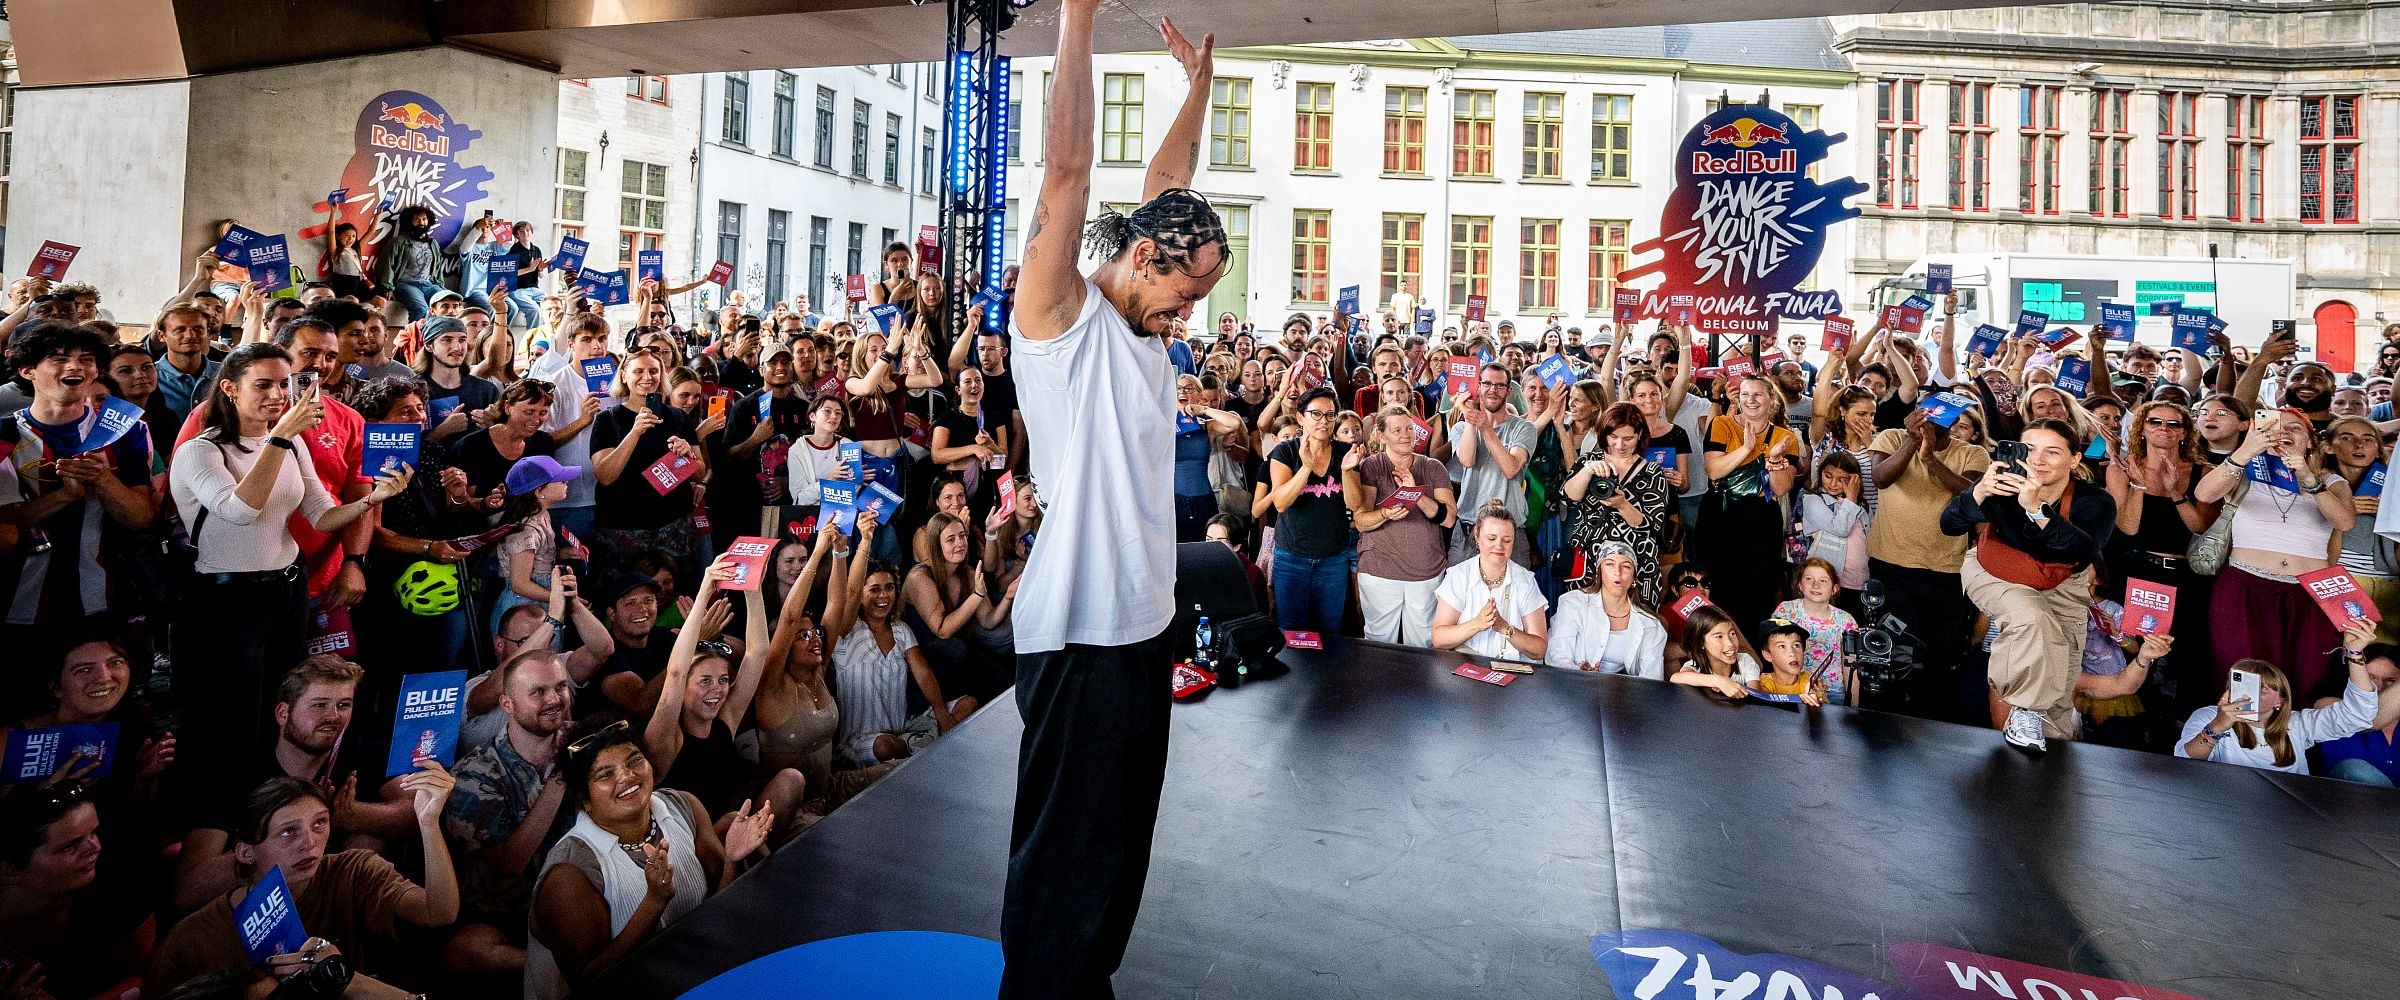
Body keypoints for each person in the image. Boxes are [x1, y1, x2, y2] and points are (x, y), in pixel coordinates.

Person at [1000, 5, 1228, 993]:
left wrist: (1198, 88)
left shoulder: (1145, 316)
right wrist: (1078, 20)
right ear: (1142, 259)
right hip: (1078, 635)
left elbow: (1168, 182)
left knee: (1116, 860)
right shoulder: (1061, 317)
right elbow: (1067, 174)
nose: (1189, 315)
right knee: (1064, 867)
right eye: (1186, 295)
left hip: (1141, 627)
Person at [166, 344, 408, 784]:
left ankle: (276, 795)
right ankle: (228, 802)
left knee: (280, 703)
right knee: (233, 711)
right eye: (263, 385)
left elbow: (321, 514)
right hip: (227, 597)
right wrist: (279, 437)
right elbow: (241, 510)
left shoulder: (291, 444)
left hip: (287, 589)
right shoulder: (201, 451)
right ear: (230, 389)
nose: (278, 395)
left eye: (283, 384)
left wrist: (372, 499)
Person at [147, 771, 459, 995]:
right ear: (245, 851)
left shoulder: (352, 871)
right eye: (288, 832)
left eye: (319, 823)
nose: (309, 843)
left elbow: (438, 912)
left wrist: (428, 822)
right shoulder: (193, 939)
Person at [525, 719, 771, 999]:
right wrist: (654, 901)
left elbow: (716, 910)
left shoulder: (683, 805)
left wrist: (733, 858)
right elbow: (590, 983)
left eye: (634, 760)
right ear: (585, 800)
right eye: (605, 775)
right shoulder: (569, 872)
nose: (627, 776)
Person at [1945, 419, 2117, 751]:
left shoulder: (2094, 500)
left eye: (2052, 452)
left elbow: (2083, 550)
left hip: (2062, 579)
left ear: (2075, 459)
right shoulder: (2003, 482)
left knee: (2062, 676)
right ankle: (2023, 711)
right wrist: (1979, 492)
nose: (2038, 460)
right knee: (2032, 618)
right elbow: (1949, 524)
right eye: (2030, 449)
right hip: (1994, 569)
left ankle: (2050, 748)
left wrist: (2037, 509)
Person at [0, 323, 160, 640]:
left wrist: (104, 480)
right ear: (28, 371)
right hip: (17, 601)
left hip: (104, 597)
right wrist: (63, 496)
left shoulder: (127, 430)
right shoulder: (4, 434)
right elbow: (5, 532)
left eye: (86, 359)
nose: (75, 366)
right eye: (59, 359)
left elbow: (142, 518)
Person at [2194, 407, 2356, 696]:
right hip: (2246, 586)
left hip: (2309, 592)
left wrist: (2307, 477)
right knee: (2245, 677)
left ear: (2310, 442)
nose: (2284, 432)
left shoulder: (2331, 481)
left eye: (2295, 428)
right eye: (2275, 426)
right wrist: (2247, 450)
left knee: (2307, 679)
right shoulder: (2243, 471)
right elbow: (2204, 494)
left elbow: (2344, 522)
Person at [439, 649, 573, 985]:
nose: (554, 699)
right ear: (507, 705)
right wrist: (562, 776)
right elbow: (508, 864)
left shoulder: (582, 739)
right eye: (538, 692)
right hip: (507, 912)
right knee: (465, 952)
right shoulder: (473, 775)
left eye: (560, 687)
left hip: (578, 891)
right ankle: (563, 967)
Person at [648, 556, 807, 838]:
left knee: (791, 780)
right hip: (691, 845)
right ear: (683, 689)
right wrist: (705, 589)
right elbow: (675, 672)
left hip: (734, 832)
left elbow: (757, 653)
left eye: (723, 680)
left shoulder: (725, 720)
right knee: (730, 820)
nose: (717, 689)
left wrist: (752, 588)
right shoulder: (666, 737)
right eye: (705, 681)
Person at [2174, 623, 2399, 774]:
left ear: (2280, 701)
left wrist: (2355, 653)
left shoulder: (2298, 724)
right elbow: (2183, 762)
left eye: (2267, 685)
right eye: (2250, 682)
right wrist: (2218, 726)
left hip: (2285, 816)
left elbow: (2358, 716)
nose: (2258, 688)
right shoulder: (2209, 716)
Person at [0, 789, 151, 1000]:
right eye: (70, 846)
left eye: (93, 833)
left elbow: (147, 982)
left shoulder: (115, 896)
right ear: (9, 871)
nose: (94, 847)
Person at [1346, 406, 1456, 645]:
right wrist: (1385, 513)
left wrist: (1416, 493)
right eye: (1397, 430)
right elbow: (1361, 521)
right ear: (1382, 435)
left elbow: (1448, 519)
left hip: (1426, 572)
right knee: (1378, 642)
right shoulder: (1372, 466)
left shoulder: (1433, 467)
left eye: (1409, 428)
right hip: (1380, 572)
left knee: (1423, 643)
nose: (1406, 435)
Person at [1699, 375, 1801, 629]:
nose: (1751, 400)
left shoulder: (1785, 437)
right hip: (1720, 513)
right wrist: (1746, 448)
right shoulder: (1722, 424)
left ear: (1771, 399)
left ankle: (1752, 645)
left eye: (1758, 394)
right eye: (1745, 394)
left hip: (1760, 519)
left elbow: (1781, 487)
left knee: (1757, 588)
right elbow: (1713, 470)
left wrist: (1774, 460)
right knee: (1718, 584)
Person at [1264, 387, 1355, 633]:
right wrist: (1305, 468)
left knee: (1329, 630)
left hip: (1333, 557)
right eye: (1316, 414)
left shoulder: (1345, 453)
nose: (1324, 421)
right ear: (1301, 418)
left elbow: (1355, 504)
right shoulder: (1285, 451)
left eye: (1330, 415)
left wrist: (1347, 471)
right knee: (1291, 631)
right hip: (1291, 557)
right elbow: (1280, 502)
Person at [1563, 401, 1672, 606]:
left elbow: (1651, 526)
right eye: (1613, 437)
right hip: (1590, 563)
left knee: (1636, 620)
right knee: (1585, 619)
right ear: (1604, 435)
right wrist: (1588, 470)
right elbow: (1568, 496)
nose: (1620, 445)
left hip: (1637, 564)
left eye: (1628, 438)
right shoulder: (1588, 461)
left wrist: (1622, 505)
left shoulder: (1653, 473)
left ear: (1640, 435)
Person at [1429, 504, 1549, 661]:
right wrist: (1478, 623)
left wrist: (1504, 628)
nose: (1499, 546)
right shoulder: (1459, 575)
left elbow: (1539, 649)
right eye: (1491, 538)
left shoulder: (1525, 580)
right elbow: (1438, 638)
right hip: (1465, 666)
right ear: (1477, 535)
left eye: (1507, 540)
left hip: (1511, 670)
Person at [1445, 364, 1538, 567]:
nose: (1493, 390)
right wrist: (1470, 417)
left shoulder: (1523, 428)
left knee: (1514, 587)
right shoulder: (1461, 427)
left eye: (1499, 385)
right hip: (1469, 528)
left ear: (1509, 391)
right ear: (1478, 387)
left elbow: (1511, 468)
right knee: (1460, 587)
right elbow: (1467, 460)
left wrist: (1486, 428)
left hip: (1509, 530)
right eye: (1487, 383)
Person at [1545, 541, 1668, 677]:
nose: (1618, 572)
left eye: (1626, 566)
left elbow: (1652, 679)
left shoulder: (1650, 625)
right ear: (1599, 572)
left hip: (1624, 689)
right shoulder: (1573, 603)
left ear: (1634, 577)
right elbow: (1557, 655)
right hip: (1573, 684)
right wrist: (1580, 673)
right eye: (1610, 564)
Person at [1772, 558, 1858, 705]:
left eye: (1823, 580)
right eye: (1809, 578)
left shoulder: (1845, 620)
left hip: (1832, 692)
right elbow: (1773, 651)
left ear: (1834, 588)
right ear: (1800, 585)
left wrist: (1854, 705)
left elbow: (1851, 666)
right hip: (1790, 688)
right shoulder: (1785, 610)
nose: (1815, 585)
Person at [2314, 643, 2400, 785]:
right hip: (2341, 796)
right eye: (2369, 678)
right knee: (2354, 769)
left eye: (2391, 681)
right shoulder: (2326, 704)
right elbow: (2369, 717)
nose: (2379, 688)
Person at [1671, 604, 1762, 696]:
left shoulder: (1745, 661)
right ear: (1701, 643)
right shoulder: (1696, 665)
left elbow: (1755, 697)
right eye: (1719, 636)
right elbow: (1676, 678)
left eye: (1732, 634)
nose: (1730, 643)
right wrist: (1719, 681)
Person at [1753, 619, 1828, 706]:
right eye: (1782, 646)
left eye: (1796, 645)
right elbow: (1765, 710)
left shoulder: (1808, 680)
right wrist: (1798, 700)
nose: (1792, 653)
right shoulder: (1764, 683)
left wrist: (1817, 699)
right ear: (1768, 655)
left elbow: (1825, 709)